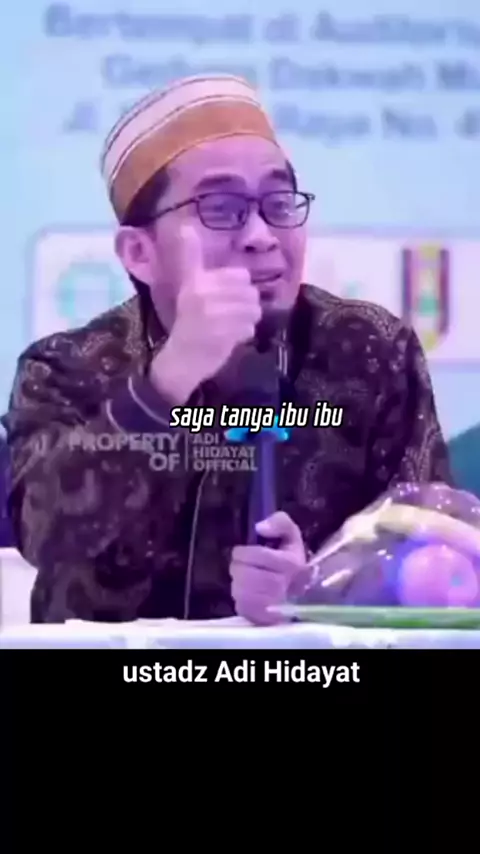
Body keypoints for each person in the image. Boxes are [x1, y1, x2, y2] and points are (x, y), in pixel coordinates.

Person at [2, 74, 452, 624]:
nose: (262, 235)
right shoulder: (66, 369)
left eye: (278, 203)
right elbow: (45, 537)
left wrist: (320, 593)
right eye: (220, 208)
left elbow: (438, 563)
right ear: (140, 253)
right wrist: (168, 379)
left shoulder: (370, 352)